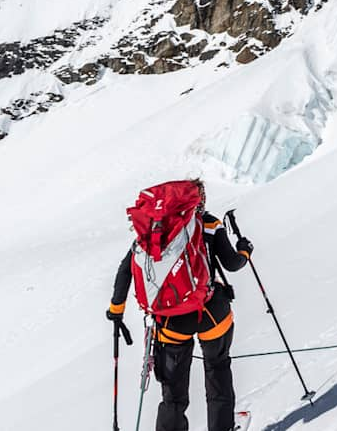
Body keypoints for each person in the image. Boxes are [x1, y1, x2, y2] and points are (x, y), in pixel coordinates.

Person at [107, 179, 252, 431]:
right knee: (217, 369)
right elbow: (231, 264)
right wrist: (245, 251)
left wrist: (116, 310)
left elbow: (125, 271)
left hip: (170, 321)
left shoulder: (154, 234)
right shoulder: (207, 224)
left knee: (172, 393)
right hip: (212, 314)